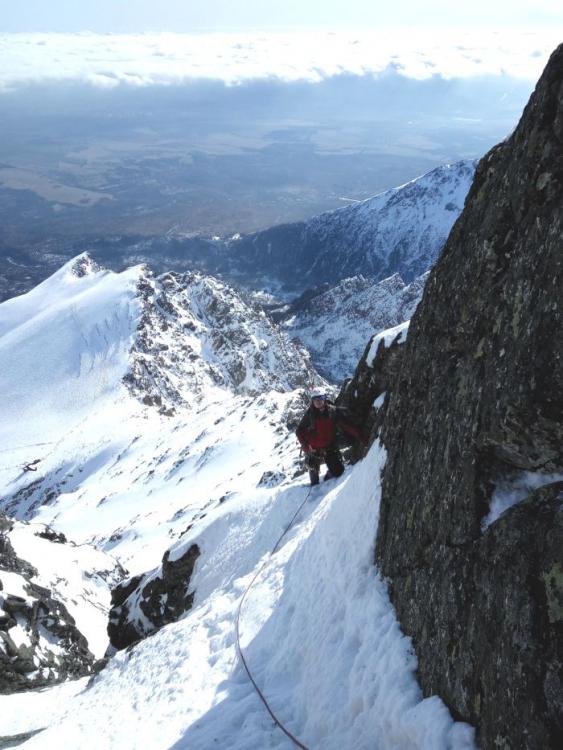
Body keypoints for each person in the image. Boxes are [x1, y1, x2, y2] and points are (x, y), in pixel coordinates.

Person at [296, 390, 364, 485]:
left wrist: (359, 435)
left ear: (324, 399)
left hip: (328, 447)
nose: (317, 401)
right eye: (315, 399)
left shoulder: (333, 411)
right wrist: (306, 446)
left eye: (320, 398)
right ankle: (314, 486)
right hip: (313, 448)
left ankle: (327, 478)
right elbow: (299, 431)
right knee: (314, 478)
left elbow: (346, 425)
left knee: (338, 471)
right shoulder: (310, 414)